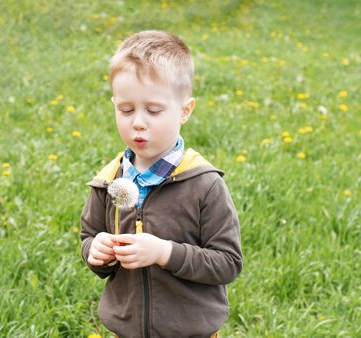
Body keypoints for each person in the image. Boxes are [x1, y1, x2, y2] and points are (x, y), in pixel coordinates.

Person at [80, 30, 242, 338]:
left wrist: (165, 253)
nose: (138, 121)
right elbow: (89, 236)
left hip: (191, 331)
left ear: (185, 110)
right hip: (126, 329)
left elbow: (228, 262)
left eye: (153, 110)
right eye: (126, 109)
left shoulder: (204, 185)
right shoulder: (109, 181)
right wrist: (95, 250)